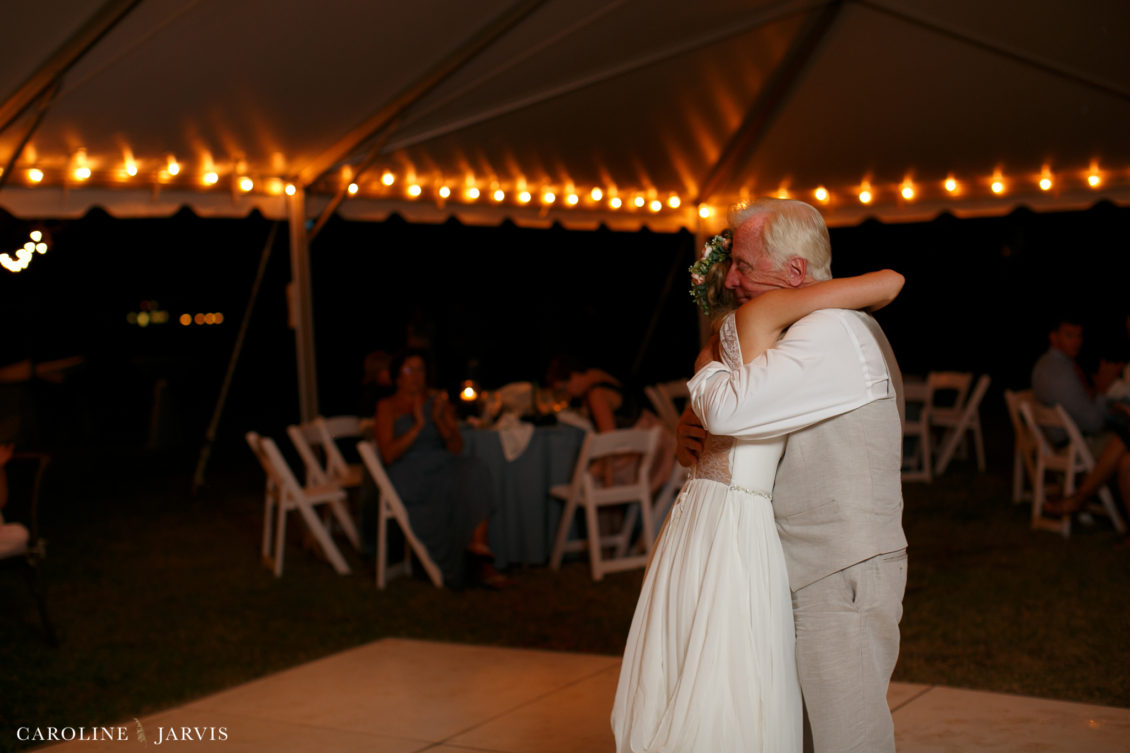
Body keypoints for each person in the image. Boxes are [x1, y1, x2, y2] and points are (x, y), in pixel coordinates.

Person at [612, 203, 906, 753]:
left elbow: (731, 409)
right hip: (794, 566)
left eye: (743, 265)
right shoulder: (795, 333)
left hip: (840, 568)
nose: (731, 279)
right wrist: (690, 429)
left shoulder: (831, 332)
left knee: (850, 737)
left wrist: (706, 370)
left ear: (795, 274)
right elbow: (739, 430)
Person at [368, 350, 505, 589]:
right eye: (409, 370)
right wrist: (418, 425)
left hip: (441, 463)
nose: (416, 376)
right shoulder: (387, 407)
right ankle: (464, 565)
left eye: (420, 369)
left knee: (476, 469)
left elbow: (456, 448)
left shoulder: (437, 401)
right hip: (409, 470)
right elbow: (389, 455)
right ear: (397, 376)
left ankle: (479, 551)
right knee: (449, 487)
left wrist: (440, 420)